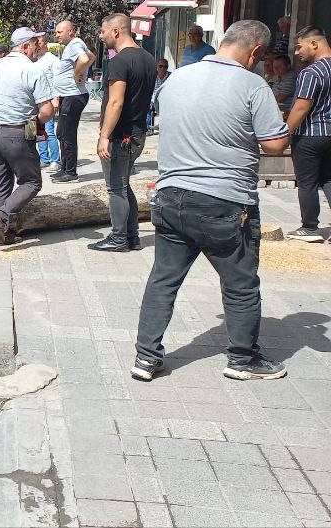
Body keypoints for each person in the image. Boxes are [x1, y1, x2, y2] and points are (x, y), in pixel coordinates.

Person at [132, 20, 291, 382]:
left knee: (163, 279)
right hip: (225, 202)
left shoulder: (177, 78)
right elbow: (275, 144)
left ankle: (145, 357)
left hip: (170, 196)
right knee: (240, 283)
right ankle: (243, 359)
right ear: (254, 52)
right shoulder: (253, 85)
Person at [0, 27, 55, 245]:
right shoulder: (33, 70)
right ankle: (1, 216)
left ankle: (0, 235)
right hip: (17, 132)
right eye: (35, 43)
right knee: (31, 182)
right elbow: (47, 111)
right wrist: (33, 125)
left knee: (3, 181)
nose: (38, 47)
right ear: (25, 46)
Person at [90, 13, 157, 252]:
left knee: (116, 188)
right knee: (123, 185)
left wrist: (104, 136)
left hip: (122, 136)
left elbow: (115, 103)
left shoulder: (120, 61)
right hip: (138, 131)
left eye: (102, 31)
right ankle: (132, 236)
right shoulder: (148, 58)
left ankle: (119, 238)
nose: (101, 36)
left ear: (116, 31)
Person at [284, 26, 331, 242]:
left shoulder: (310, 73)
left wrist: (286, 132)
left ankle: (310, 227)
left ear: (315, 44)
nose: (296, 53)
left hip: (311, 134)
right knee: (329, 179)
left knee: (307, 182)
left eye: (298, 47)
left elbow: (301, 107)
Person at [51, 20, 94, 183]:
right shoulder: (73, 45)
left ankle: (70, 172)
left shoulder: (75, 43)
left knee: (67, 134)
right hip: (67, 95)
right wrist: (81, 71)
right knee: (61, 133)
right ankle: (65, 167)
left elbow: (84, 59)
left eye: (59, 32)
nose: (56, 35)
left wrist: (78, 74)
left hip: (73, 95)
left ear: (70, 31)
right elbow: (91, 57)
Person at [31, 33, 62, 172]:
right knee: (38, 131)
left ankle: (56, 160)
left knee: (49, 131)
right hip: (35, 100)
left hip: (48, 100)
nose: (38, 45)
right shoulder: (34, 59)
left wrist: (56, 99)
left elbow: (57, 80)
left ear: (46, 43)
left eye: (40, 42)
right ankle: (44, 158)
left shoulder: (53, 60)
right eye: (36, 42)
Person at [148, 59, 170, 133]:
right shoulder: (152, 76)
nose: (163, 68)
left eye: (165, 67)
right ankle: (148, 129)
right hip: (153, 99)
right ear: (157, 67)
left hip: (165, 100)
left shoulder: (171, 77)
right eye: (160, 66)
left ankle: (163, 125)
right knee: (146, 105)